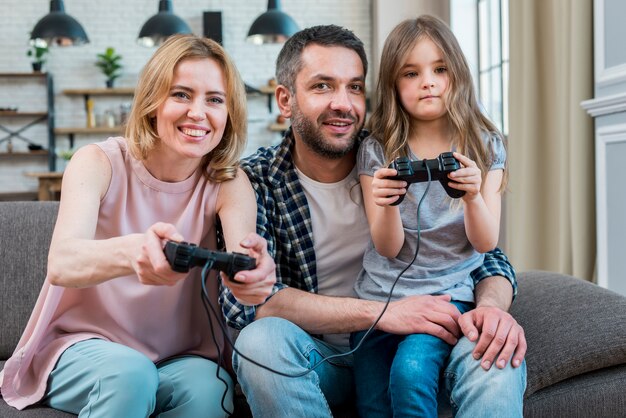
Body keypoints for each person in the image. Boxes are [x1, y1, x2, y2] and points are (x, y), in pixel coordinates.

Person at [222, 24, 526, 417]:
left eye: (353, 87)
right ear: (285, 99)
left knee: (496, 357)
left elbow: (484, 253)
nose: (342, 104)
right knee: (258, 342)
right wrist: (384, 313)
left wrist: (494, 308)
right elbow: (243, 303)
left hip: (430, 329)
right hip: (322, 354)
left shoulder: (397, 153)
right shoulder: (257, 181)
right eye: (322, 86)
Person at [0, 35, 276, 417]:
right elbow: (63, 262)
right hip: (83, 347)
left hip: (181, 354)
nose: (198, 112)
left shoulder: (228, 182)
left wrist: (254, 278)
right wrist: (134, 251)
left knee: (210, 389)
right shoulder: (97, 162)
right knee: (130, 374)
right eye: (181, 94)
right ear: (152, 102)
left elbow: (244, 264)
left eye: (215, 99)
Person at [351, 15, 513, 417]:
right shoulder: (378, 149)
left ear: (457, 73)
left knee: (410, 373)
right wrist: (387, 204)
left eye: (440, 69)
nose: (428, 81)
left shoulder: (484, 145)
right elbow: (388, 247)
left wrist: (473, 197)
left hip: (448, 295)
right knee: (372, 402)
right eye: (411, 73)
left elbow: (486, 243)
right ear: (393, 85)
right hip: (381, 298)